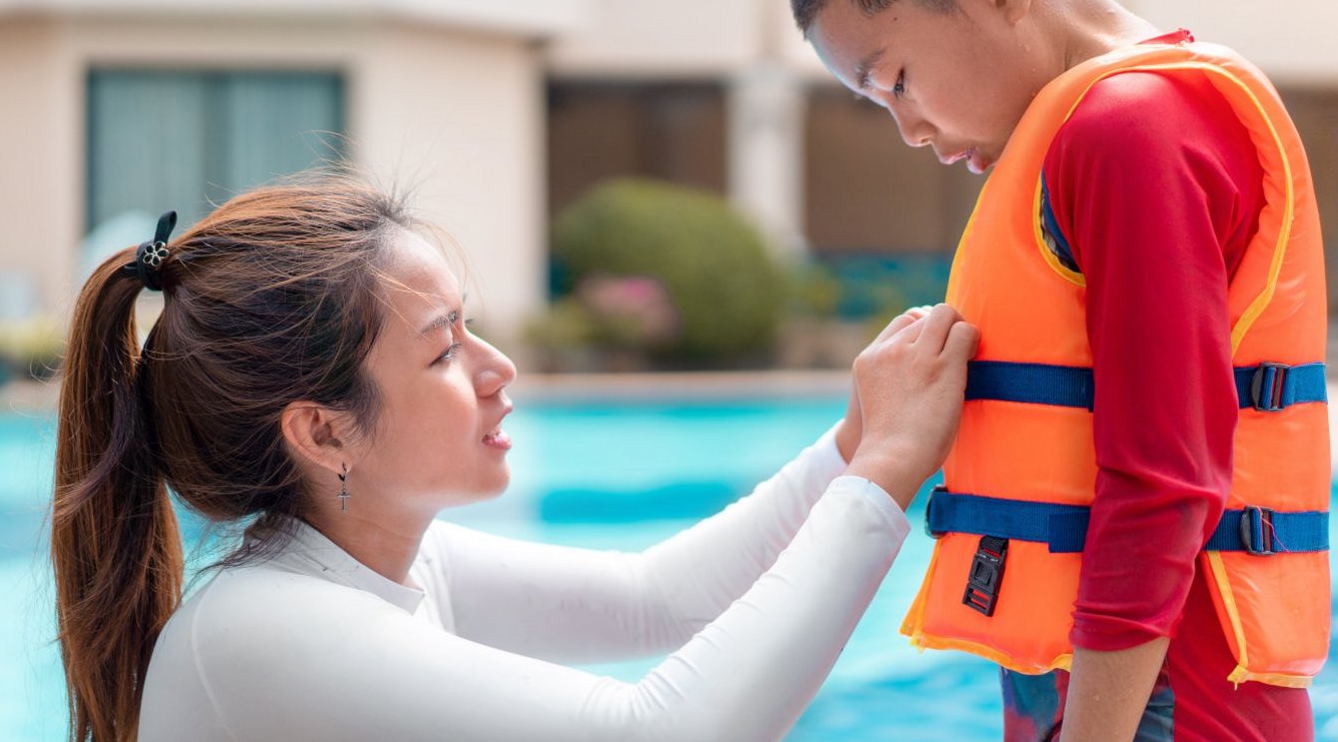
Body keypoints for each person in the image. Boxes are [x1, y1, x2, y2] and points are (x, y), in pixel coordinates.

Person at [49, 175, 978, 742]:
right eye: (443, 349)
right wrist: (885, 474)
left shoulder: (388, 561)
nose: (500, 368)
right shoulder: (261, 626)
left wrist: (857, 439)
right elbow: (667, 734)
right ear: (323, 431)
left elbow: (659, 598)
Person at [788, 0, 1329, 740]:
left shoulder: (1129, 131)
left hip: (1163, 703)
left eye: (898, 82)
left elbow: (1164, 480)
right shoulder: (1093, 132)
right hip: (1114, 694)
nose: (910, 131)